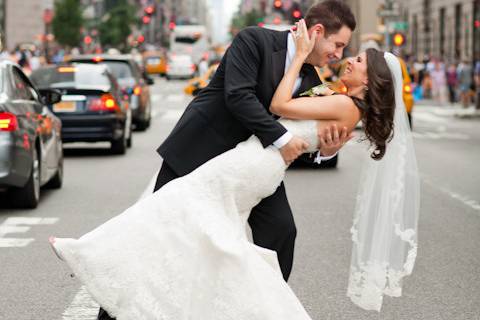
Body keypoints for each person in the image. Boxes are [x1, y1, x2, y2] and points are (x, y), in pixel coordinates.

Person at [49, 18, 419, 317]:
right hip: (201, 148)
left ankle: (257, 307)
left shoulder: (313, 79)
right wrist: (282, 139)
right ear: (317, 32)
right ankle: (112, 308)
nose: (340, 54)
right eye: (337, 46)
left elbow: (308, 131)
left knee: (281, 232)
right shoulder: (255, 40)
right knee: (159, 222)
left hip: (252, 164)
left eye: (346, 51)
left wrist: (324, 150)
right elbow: (238, 96)